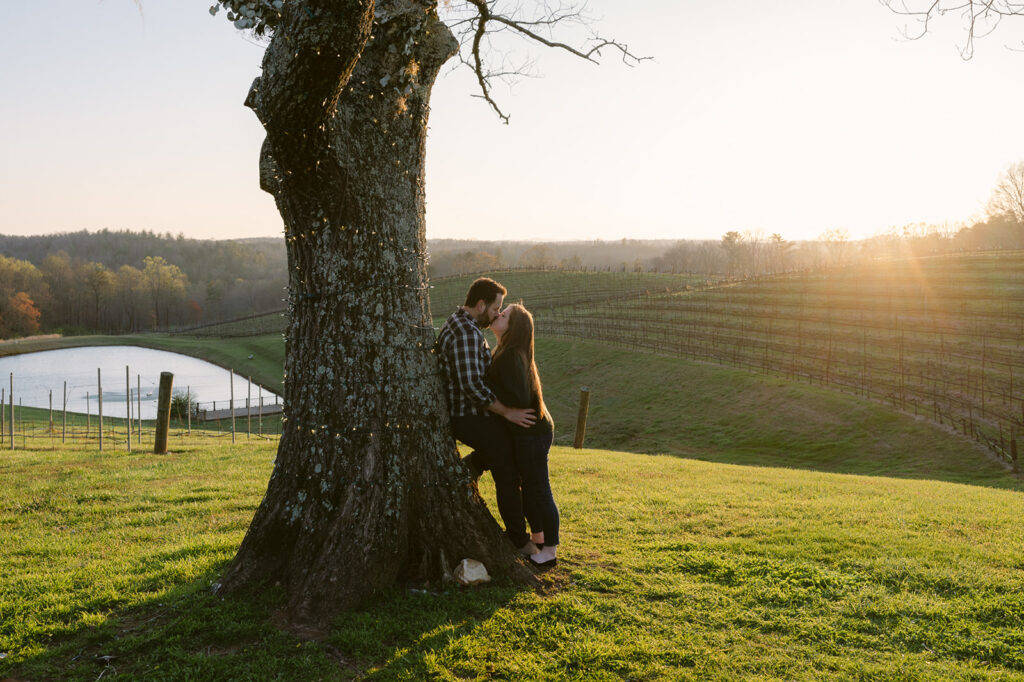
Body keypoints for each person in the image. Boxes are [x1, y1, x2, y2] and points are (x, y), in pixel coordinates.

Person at [435, 277, 538, 555]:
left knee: (506, 447)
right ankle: (519, 540)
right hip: (468, 416)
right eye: (495, 308)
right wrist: (507, 411)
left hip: (472, 413)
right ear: (481, 305)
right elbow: (471, 386)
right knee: (507, 470)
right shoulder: (466, 332)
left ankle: (472, 467)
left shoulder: (461, 324)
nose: (496, 314)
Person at [486, 303, 560, 568]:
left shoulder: (509, 357)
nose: (498, 314)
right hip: (532, 432)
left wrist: (486, 387)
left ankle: (550, 549)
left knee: (539, 489)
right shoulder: (509, 352)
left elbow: (516, 397)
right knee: (529, 486)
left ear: (513, 327)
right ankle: (538, 537)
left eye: (504, 314)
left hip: (532, 434)